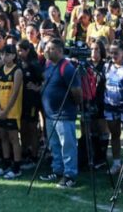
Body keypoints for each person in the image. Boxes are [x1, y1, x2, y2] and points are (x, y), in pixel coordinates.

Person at [38, 38, 81, 188]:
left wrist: (74, 105)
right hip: (50, 114)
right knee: (55, 145)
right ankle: (58, 170)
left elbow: (77, 91)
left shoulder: (67, 68)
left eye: (50, 49)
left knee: (67, 145)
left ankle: (70, 175)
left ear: (60, 51)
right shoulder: (49, 66)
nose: (46, 51)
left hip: (64, 114)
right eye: (46, 48)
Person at [0, 43, 24, 179]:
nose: (5, 57)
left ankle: (16, 167)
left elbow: (15, 93)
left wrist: (6, 111)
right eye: (3, 54)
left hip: (12, 111)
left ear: (14, 56)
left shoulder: (17, 71)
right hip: (0, 111)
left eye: (8, 54)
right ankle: (5, 164)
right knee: (3, 137)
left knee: (13, 138)